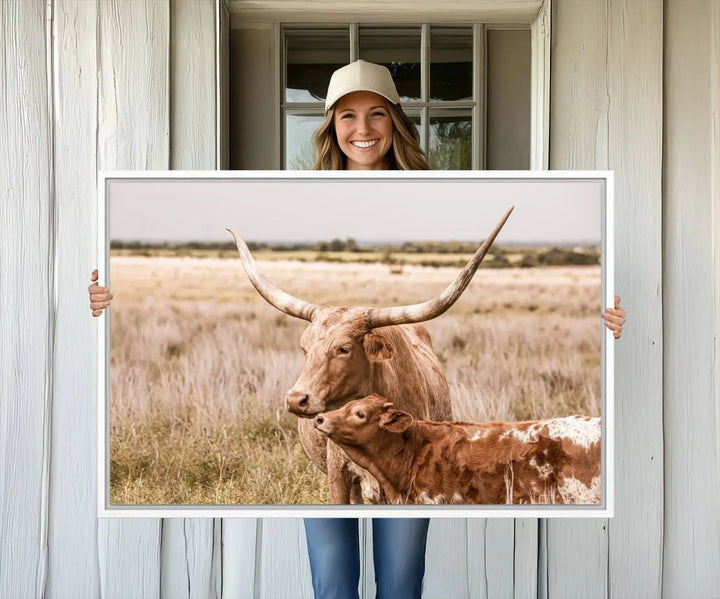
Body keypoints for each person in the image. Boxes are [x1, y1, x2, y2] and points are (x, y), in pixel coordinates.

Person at [88, 59, 626, 599]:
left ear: (395, 121)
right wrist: (100, 303)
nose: (362, 129)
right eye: (346, 116)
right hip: (339, 420)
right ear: (330, 127)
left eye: (376, 114)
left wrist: (611, 323)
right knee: (333, 581)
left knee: (399, 580)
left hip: (406, 460)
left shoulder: (440, 192)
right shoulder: (297, 193)